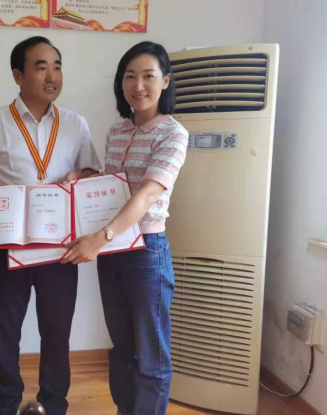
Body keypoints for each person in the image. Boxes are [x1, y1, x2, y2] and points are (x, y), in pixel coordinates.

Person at [0, 36, 101, 415]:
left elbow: (92, 173)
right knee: (5, 330)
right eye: (41, 67)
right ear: (18, 76)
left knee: (57, 332)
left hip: (60, 248)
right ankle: (6, 405)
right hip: (7, 247)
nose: (52, 76)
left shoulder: (75, 124)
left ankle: (54, 404)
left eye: (57, 66)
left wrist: (78, 177)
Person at [61, 41, 189, 415]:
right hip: (112, 251)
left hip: (146, 251)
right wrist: (84, 178)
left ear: (165, 81)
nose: (138, 85)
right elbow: (114, 186)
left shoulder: (173, 133)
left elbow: (147, 193)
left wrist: (100, 237)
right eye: (129, 77)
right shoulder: (117, 132)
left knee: (151, 355)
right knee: (121, 349)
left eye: (148, 76)